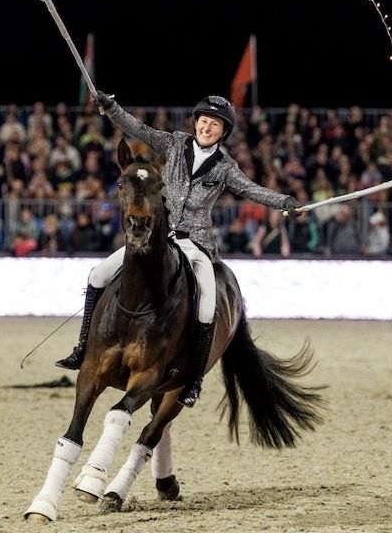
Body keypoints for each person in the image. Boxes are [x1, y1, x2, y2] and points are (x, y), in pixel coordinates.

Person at [56, 92, 300, 408]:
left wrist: (284, 202)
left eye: (214, 124)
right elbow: (137, 128)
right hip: (158, 238)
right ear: (196, 122)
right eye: (204, 121)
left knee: (206, 306)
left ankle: (193, 380)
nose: (207, 128)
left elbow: (252, 189)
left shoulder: (226, 167)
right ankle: (82, 348)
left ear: (223, 132)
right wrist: (112, 107)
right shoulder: (174, 143)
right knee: (97, 274)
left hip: (196, 245)